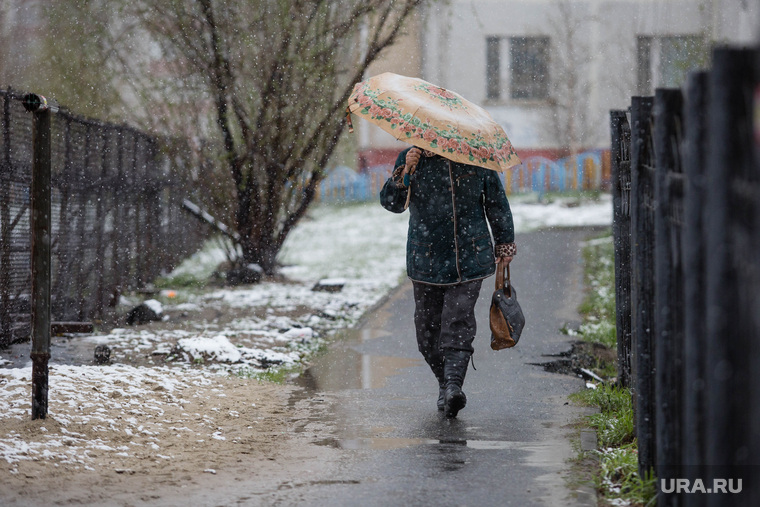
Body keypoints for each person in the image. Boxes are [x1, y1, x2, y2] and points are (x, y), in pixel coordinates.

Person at [380, 146, 516, 418]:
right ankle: (445, 383)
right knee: (426, 332)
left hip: (469, 256)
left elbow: (496, 203)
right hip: (425, 257)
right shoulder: (411, 157)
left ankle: (454, 386)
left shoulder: (477, 156)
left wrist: (504, 243)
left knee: (457, 321)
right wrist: (406, 172)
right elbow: (391, 204)